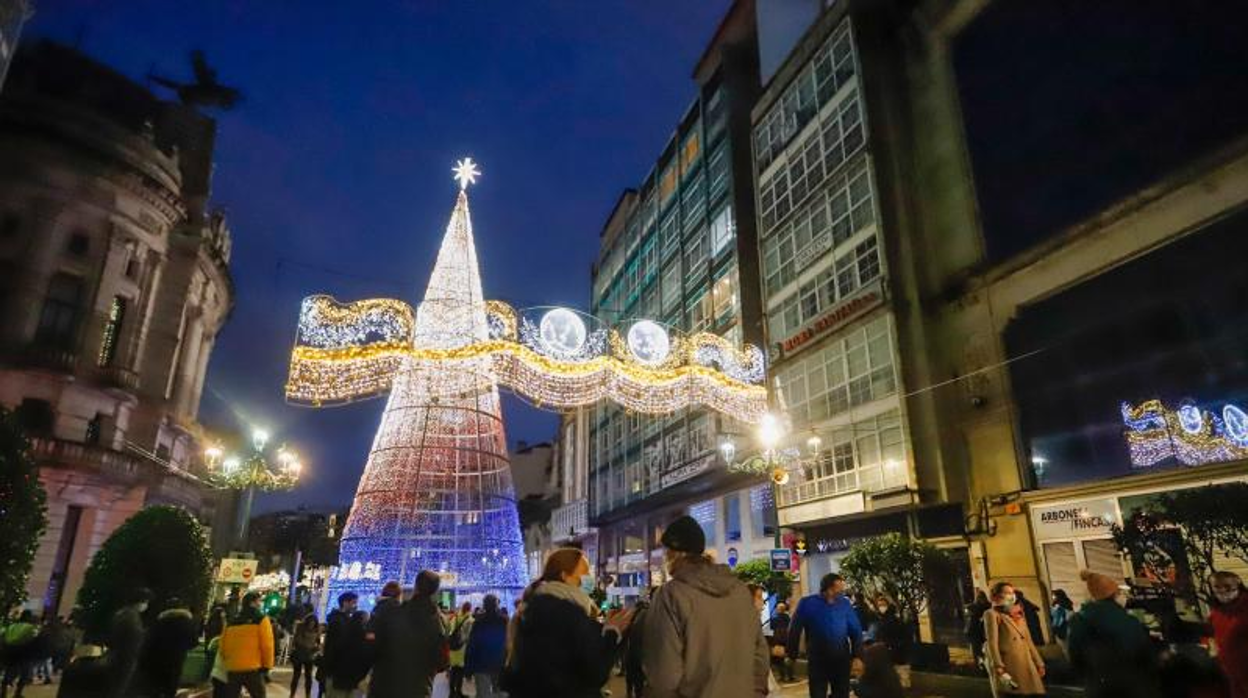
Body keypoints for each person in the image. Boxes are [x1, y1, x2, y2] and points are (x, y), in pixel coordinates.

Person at [643, 515, 769, 698]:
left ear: (674, 554)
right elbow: (760, 657)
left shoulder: (670, 596)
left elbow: (664, 676)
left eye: (666, 553)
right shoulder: (740, 591)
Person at [504, 547, 632, 698]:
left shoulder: (537, 606)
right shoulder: (567, 614)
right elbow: (595, 672)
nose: (589, 578)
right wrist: (612, 633)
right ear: (565, 576)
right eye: (584, 573)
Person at [1065, 570, 1157, 698]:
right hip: (1132, 685)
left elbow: (1075, 658)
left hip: (1098, 686)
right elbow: (1145, 654)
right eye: (1118, 593)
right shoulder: (1129, 620)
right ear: (1113, 595)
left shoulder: (1078, 621)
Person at [368, 573, 448, 698]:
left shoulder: (394, 613)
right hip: (418, 690)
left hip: (385, 687)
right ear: (435, 591)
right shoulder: (439, 622)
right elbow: (442, 663)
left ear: (415, 587)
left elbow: (373, 646)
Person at [787, 573, 863, 698]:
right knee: (818, 693)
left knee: (842, 694)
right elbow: (794, 628)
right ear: (828, 588)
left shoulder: (844, 604)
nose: (842, 591)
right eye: (839, 588)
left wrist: (857, 655)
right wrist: (792, 653)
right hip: (818, 661)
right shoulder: (807, 603)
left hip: (841, 660)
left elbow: (856, 630)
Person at [983, 581, 1045, 697]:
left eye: (1012, 592)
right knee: (1012, 693)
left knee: (1031, 693)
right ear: (997, 595)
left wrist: (1039, 662)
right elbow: (992, 642)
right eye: (1007, 592)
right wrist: (998, 665)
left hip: (1025, 660)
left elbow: (1028, 640)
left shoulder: (1018, 613)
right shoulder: (991, 614)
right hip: (1008, 662)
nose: (1011, 595)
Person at [135, 598, 198, 698]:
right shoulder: (188, 623)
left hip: (157, 659)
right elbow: (194, 642)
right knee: (170, 689)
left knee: (155, 688)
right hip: (177, 660)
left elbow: (150, 641)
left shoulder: (161, 621)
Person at [219, 591, 275, 697]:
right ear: (252, 602)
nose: (260, 604)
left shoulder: (231, 621)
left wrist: (228, 661)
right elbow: (267, 645)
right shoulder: (261, 619)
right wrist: (267, 665)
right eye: (258, 601)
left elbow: (223, 645)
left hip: (233, 668)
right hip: (253, 668)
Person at [321, 592, 370, 698]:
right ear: (345, 603)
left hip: (344, 673)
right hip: (337, 672)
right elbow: (333, 647)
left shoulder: (346, 620)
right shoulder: (338, 621)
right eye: (353, 603)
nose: (356, 606)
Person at [105, 587, 150, 698]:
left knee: (115, 687)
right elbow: (133, 637)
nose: (146, 605)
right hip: (125, 658)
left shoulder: (122, 613)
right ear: (140, 601)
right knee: (118, 688)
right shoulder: (131, 617)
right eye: (146, 602)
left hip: (117, 655)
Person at [1208, 571, 1248, 698]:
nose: (1223, 594)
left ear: (1237, 585)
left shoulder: (1245, 608)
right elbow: (1214, 633)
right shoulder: (1216, 611)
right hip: (1230, 669)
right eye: (1218, 590)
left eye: (1228, 588)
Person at [464, 594, 508, 698]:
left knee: (483, 694)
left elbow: (472, 646)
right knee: (501, 693)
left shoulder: (479, 622)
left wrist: (468, 669)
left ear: (484, 605)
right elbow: (509, 643)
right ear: (497, 605)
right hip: (500, 664)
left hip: (481, 665)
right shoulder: (504, 621)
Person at [872, 597, 912, 688]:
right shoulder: (882, 619)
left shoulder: (893, 620)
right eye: (879, 605)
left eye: (883, 605)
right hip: (890, 653)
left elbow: (903, 636)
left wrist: (893, 646)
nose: (881, 607)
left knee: (900, 681)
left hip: (896, 653)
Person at [1, 610, 40, 698]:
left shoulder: (12, 626)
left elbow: (4, 637)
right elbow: (33, 640)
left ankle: (3, 694)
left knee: (8, 674)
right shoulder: (31, 628)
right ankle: (17, 694)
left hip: (10, 652)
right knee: (24, 674)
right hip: (23, 654)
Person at [622, 595, 649, 698]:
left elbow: (625, 634)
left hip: (633, 652)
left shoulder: (632, 618)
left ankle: (629, 693)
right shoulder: (648, 616)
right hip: (642, 653)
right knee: (639, 680)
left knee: (632, 675)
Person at [288, 614, 320, 698]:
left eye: (313, 623)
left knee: (308, 677)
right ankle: (292, 694)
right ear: (307, 622)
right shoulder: (301, 628)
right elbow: (297, 640)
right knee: (296, 676)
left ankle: (307, 695)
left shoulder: (317, 630)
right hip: (300, 654)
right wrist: (309, 647)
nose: (311, 624)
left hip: (309, 656)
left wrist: (315, 648)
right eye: (310, 622)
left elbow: (318, 642)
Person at [447, 601, 473, 698]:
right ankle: (458, 692)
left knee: (453, 670)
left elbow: (449, 631)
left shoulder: (455, 617)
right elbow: (469, 636)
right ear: (470, 609)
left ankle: (451, 692)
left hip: (453, 648)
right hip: (462, 649)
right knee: (460, 671)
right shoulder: (470, 620)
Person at [769, 602, 795, 682]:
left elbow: (771, 627)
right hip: (787, 640)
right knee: (789, 658)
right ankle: (790, 676)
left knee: (779, 660)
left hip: (778, 641)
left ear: (778, 610)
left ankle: (782, 676)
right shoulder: (789, 619)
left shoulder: (775, 619)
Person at [966, 589, 992, 668]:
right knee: (980, 650)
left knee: (978, 650)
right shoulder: (987, 607)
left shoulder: (974, 607)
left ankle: (979, 664)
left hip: (976, 632)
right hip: (978, 632)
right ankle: (981, 664)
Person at [1049, 590, 1073, 657]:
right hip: (1070, 626)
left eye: (1054, 595)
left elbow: (1056, 619)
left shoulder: (1057, 606)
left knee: (1065, 648)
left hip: (1062, 628)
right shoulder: (1068, 603)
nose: (1053, 597)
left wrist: (1054, 629)